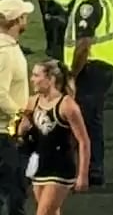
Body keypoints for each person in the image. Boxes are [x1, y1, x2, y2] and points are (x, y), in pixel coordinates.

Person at [63, 0, 113, 188]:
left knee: (85, 120)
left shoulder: (91, 1)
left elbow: (84, 44)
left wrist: (71, 75)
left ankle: (90, 171)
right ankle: (91, 169)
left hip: (91, 67)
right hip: (103, 64)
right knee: (91, 119)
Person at [18, 59, 89, 211]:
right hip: (40, 165)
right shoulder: (33, 102)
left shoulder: (67, 106)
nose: (32, 79)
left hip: (60, 167)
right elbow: (21, 130)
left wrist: (83, 174)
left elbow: (83, 141)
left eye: (36, 75)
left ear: (50, 80)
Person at [0, 0, 32, 215]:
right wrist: (21, 116)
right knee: (14, 194)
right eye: (24, 15)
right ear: (17, 19)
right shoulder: (5, 53)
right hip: (5, 134)